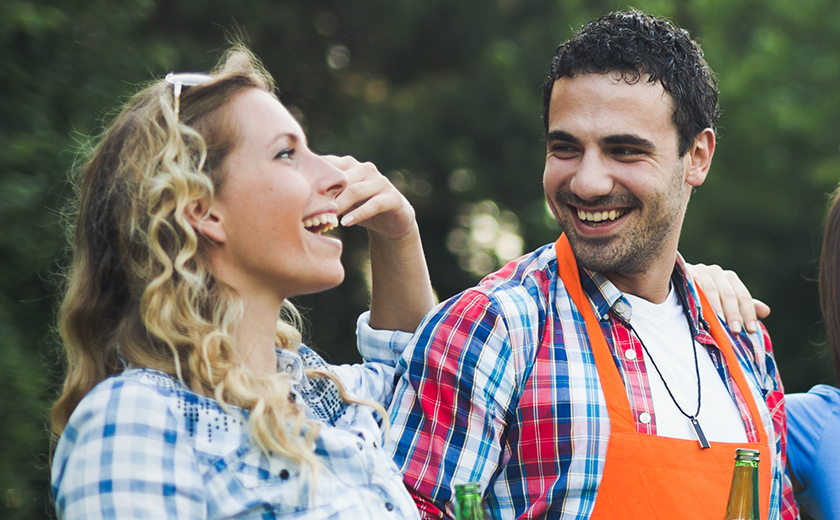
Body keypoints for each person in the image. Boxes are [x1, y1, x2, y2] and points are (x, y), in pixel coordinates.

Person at [357, 10, 799, 520]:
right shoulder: (491, 328)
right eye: (565, 148)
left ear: (697, 156)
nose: (587, 182)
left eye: (624, 151)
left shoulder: (743, 340)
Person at [50, 44, 436, 519]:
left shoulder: (325, 398)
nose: (337, 175)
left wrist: (398, 236)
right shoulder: (137, 418)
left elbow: (430, 388)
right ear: (202, 210)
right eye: (287, 153)